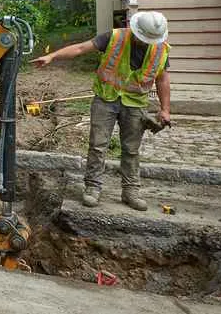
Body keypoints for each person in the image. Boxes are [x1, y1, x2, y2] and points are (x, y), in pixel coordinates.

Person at [32, 11, 171, 211]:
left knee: (131, 150)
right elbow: (81, 48)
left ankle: (130, 191)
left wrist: (165, 109)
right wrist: (52, 56)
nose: (146, 42)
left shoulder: (161, 50)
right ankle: (93, 188)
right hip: (105, 98)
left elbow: (162, 79)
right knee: (98, 145)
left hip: (135, 103)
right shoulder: (115, 37)